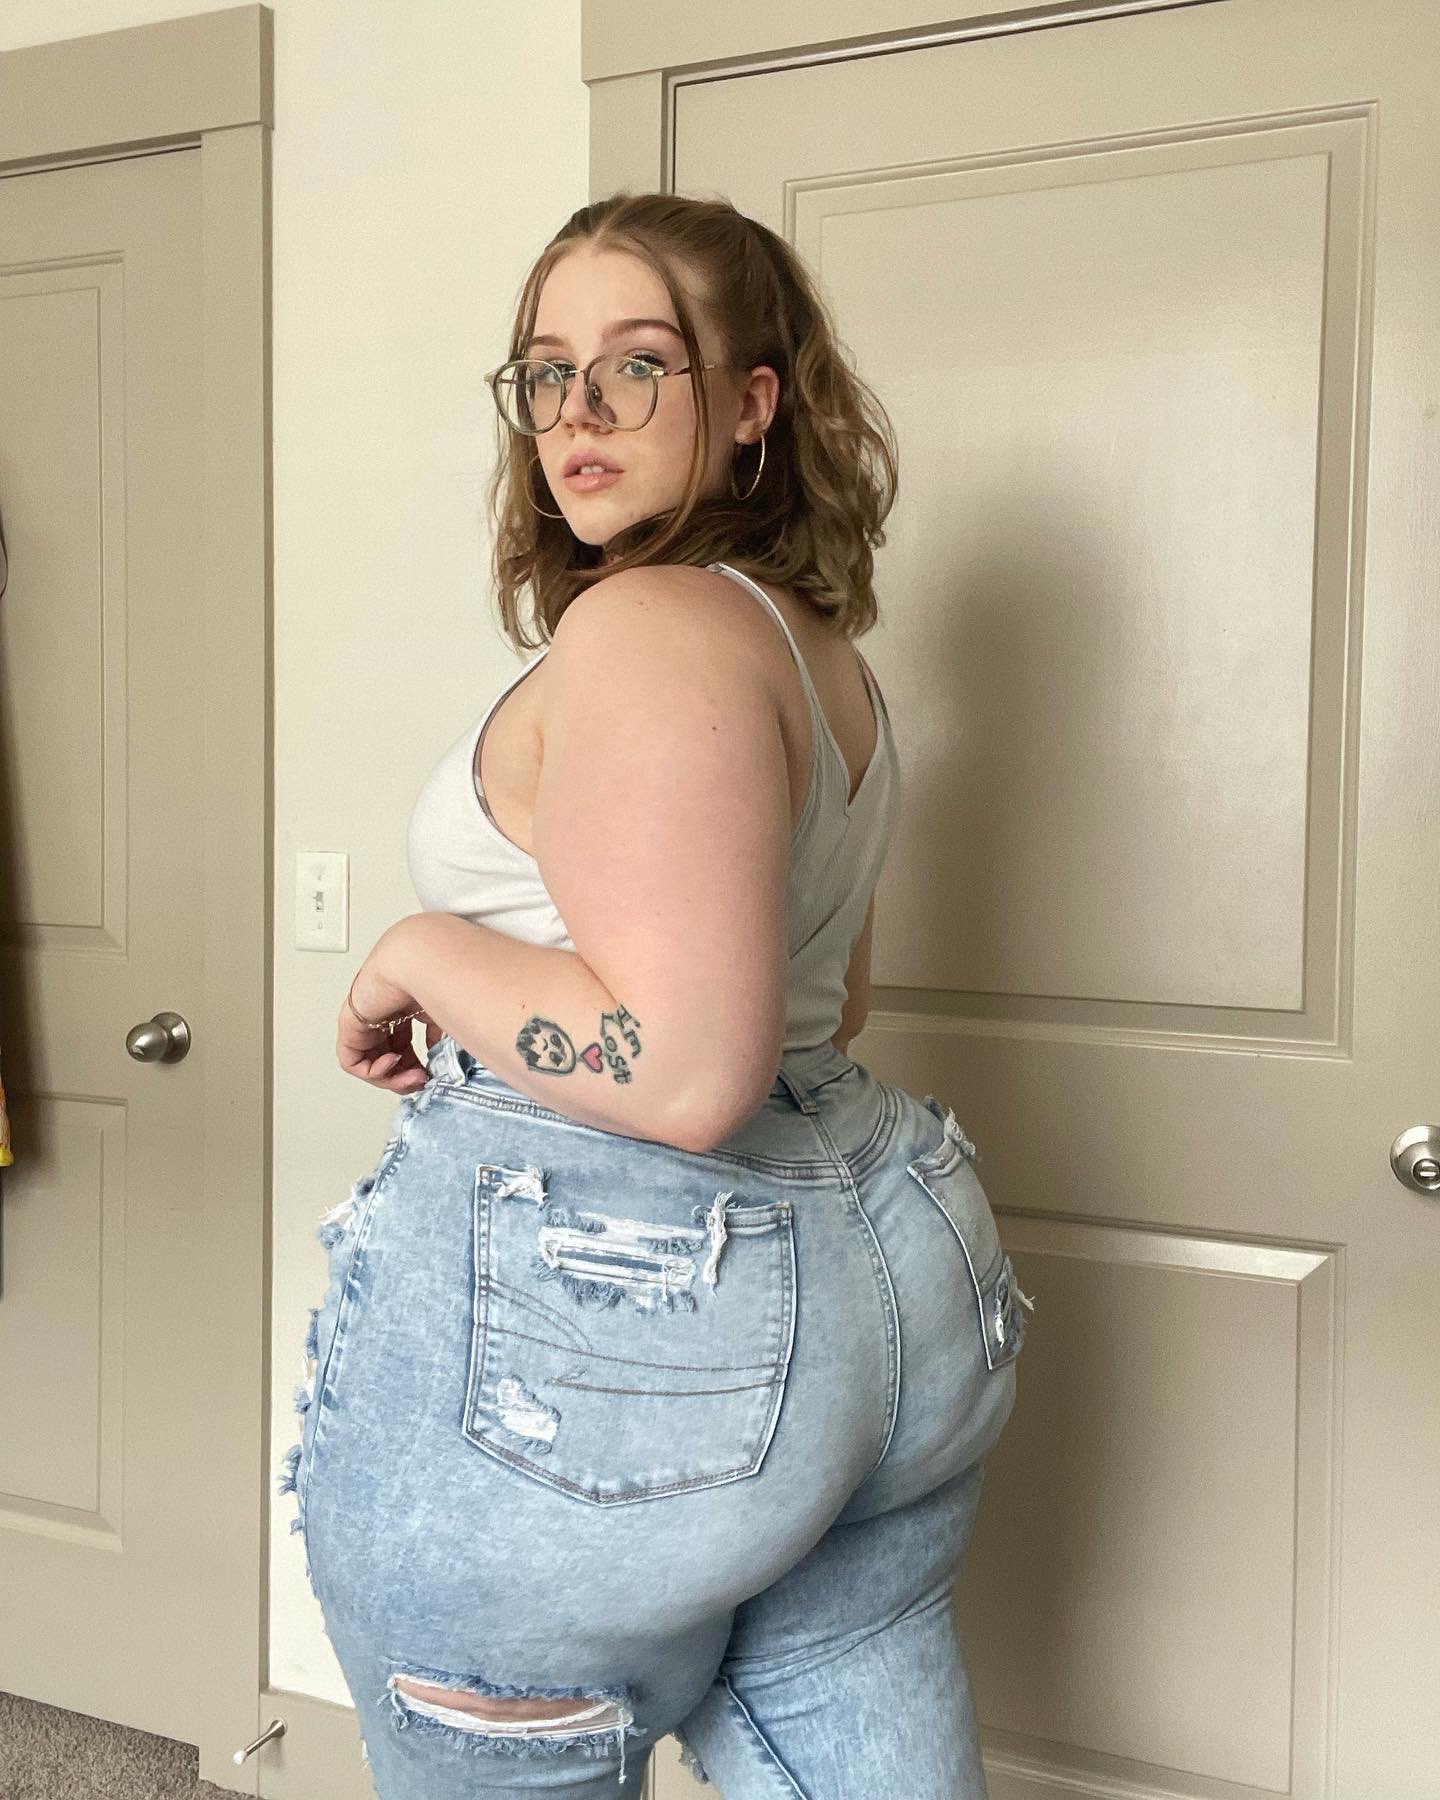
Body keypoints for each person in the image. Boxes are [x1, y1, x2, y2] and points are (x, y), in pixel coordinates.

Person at [278, 189, 1032, 1799]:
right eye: (546, 371)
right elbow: (831, 1005)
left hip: (626, 1303)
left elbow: (687, 1068)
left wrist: (418, 952)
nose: (578, 413)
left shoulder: (644, 628)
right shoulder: (817, 655)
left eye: (637, 363)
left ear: (753, 402)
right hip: (883, 1266)